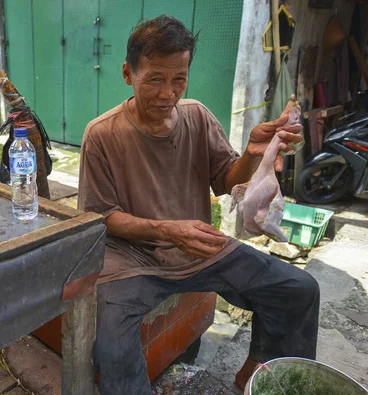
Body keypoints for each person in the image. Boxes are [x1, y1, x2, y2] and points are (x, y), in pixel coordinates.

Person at [78, 15, 320, 395]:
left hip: (199, 249)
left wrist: (253, 154)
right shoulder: (101, 134)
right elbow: (103, 216)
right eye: (155, 78)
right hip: (133, 262)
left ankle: (260, 374)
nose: (168, 93)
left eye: (179, 79)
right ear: (128, 73)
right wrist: (167, 230)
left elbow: (225, 179)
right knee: (111, 346)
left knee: (299, 288)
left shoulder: (197, 116)